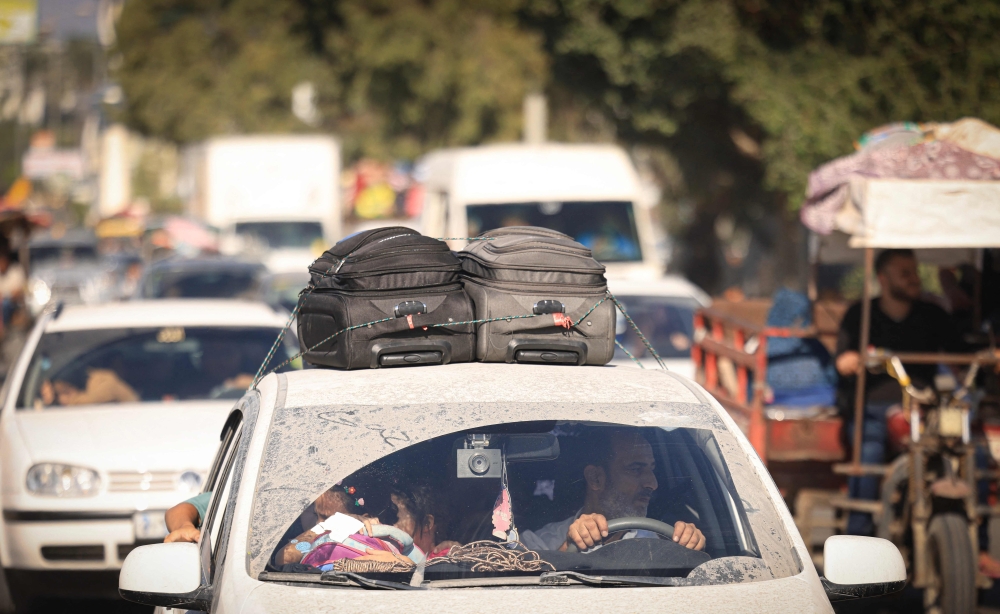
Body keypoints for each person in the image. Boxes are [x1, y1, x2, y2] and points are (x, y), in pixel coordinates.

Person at [520, 428, 705, 552]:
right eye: (635, 469)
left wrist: (690, 545)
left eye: (652, 469)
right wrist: (568, 548)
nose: (653, 483)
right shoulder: (539, 545)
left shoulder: (660, 542)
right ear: (595, 478)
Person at [0, 249, 25, 332]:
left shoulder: (16, 271)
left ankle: (4, 328)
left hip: (15, 304)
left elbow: (18, 291)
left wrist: (6, 295)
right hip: (2, 302)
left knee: (5, 304)